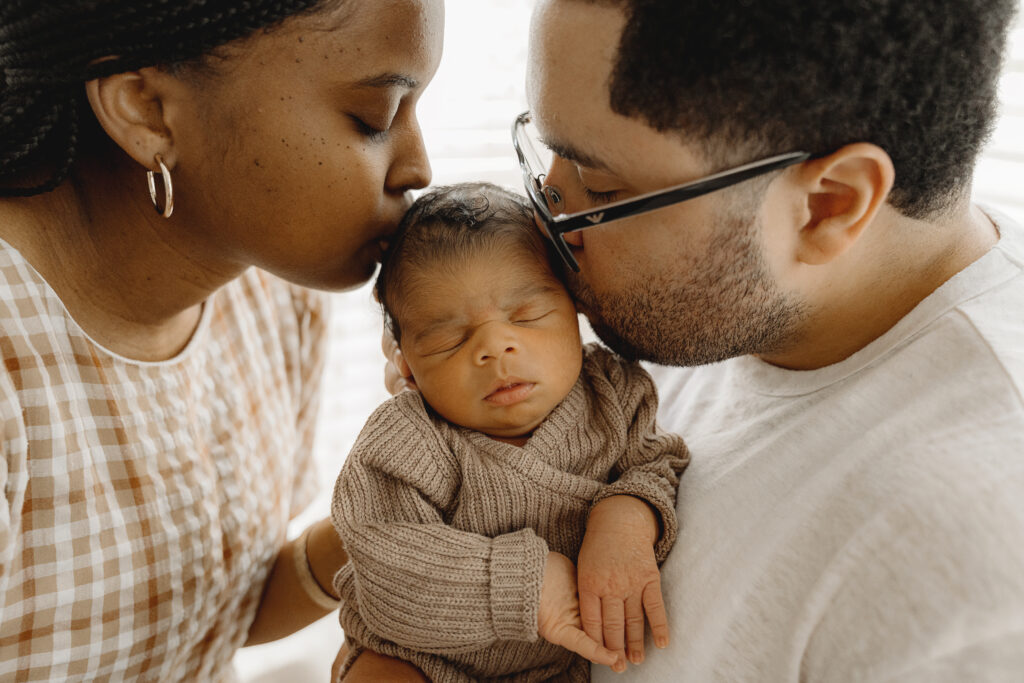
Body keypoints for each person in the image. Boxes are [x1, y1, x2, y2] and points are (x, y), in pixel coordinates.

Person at [367, 0, 1024, 680]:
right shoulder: (726, 305)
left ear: (829, 204)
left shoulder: (964, 584)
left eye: (599, 182)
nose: (550, 209)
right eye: (546, 145)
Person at [0, 0, 442, 679]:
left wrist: (394, 517)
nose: (418, 167)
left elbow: (210, 619)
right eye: (375, 118)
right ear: (147, 109)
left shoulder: (274, 297)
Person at [331, 183, 689, 682]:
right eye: (449, 339)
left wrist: (626, 515)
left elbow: (657, 464)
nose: (495, 347)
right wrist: (525, 583)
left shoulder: (614, 392)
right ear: (405, 363)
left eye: (526, 315)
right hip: (420, 656)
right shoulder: (408, 438)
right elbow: (385, 566)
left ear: (576, 308)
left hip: (555, 666)